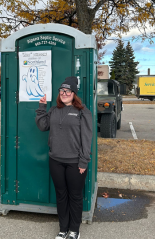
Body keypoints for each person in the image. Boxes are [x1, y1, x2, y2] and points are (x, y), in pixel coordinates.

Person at [35, 76, 93, 239]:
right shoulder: (54, 110)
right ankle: (63, 229)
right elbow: (42, 126)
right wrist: (42, 107)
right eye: (62, 90)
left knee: (75, 196)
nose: (64, 93)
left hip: (75, 163)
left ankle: (74, 230)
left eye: (67, 91)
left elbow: (87, 139)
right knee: (61, 195)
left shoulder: (83, 112)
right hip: (56, 161)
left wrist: (83, 160)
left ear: (74, 93)